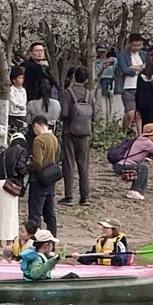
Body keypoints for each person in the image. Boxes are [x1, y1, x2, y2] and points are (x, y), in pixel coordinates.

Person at [58, 67, 94, 206]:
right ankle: (85, 196)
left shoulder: (68, 93)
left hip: (69, 132)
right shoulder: (89, 94)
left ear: (74, 77)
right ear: (86, 80)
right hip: (84, 133)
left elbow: (64, 113)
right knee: (83, 165)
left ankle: (69, 196)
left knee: (69, 164)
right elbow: (94, 113)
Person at [112, 122, 153, 202]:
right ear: (151, 135)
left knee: (142, 169)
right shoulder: (145, 141)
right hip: (122, 166)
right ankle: (135, 191)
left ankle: (139, 191)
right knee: (142, 168)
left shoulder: (141, 140)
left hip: (120, 165)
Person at [0, 129, 26, 254]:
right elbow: (20, 168)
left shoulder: (3, 153)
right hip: (10, 185)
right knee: (10, 215)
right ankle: (9, 244)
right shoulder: (21, 151)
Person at [25, 115, 61, 236]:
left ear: (36, 125)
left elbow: (38, 163)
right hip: (51, 179)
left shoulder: (39, 140)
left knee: (35, 214)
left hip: (38, 180)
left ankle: (35, 242)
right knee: (50, 214)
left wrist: (27, 167)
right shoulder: (54, 138)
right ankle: (51, 242)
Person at [114, 36, 147, 124]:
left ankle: (139, 135)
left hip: (141, 87)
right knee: (130, 113)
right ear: (129, 44)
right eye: (134, 45)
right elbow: (125, 70)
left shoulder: (144, 54)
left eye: (139, 45)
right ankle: (124, 131)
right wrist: (138, 69)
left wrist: (133, 67)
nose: (136, 48)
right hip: (127, 87)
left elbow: (147, 68)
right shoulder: (123, 55)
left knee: (139, 114)